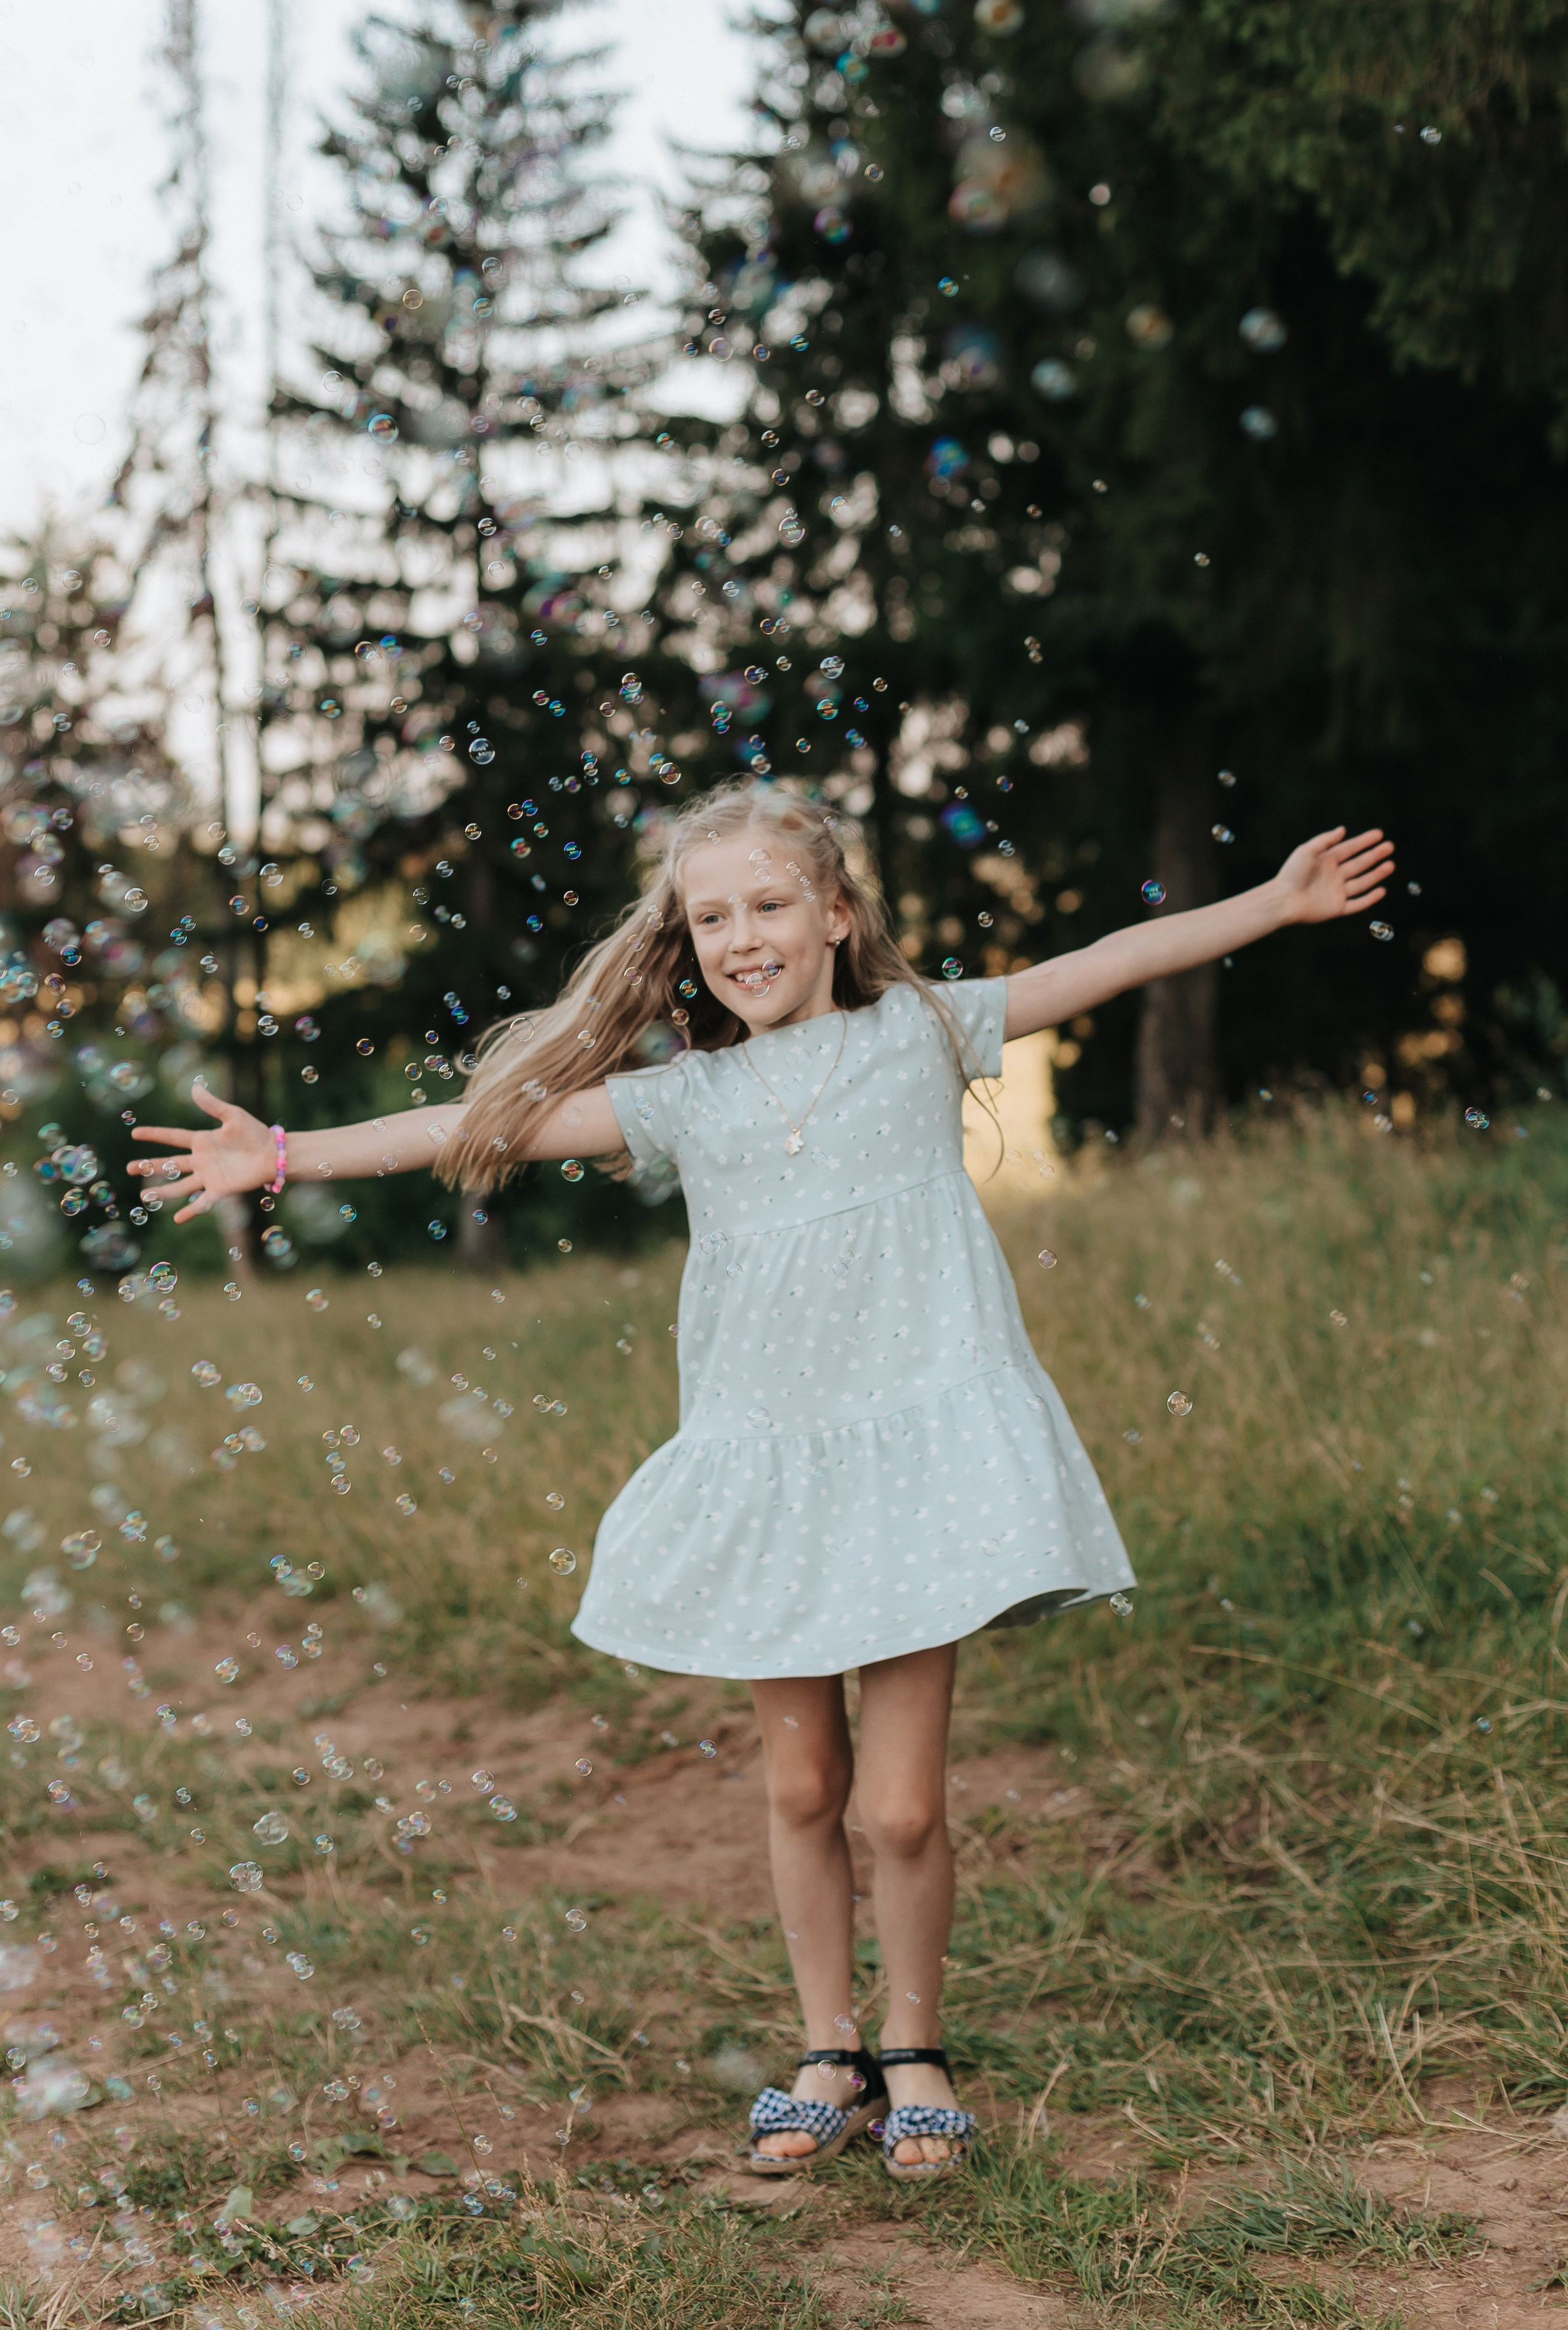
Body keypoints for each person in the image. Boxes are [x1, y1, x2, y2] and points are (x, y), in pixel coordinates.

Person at [129, 778, 1392, 2183]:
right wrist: (281, 1154)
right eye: (712, 917)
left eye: (770, 905)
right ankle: (828, 2049)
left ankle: (915, 2045)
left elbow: (1098, 963)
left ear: (836, 915)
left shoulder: (921, 1032)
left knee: (900, 1806)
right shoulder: (687, 1098)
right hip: (771, 1474)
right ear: (685, 942)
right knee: (802, 1788)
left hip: (916, 1465)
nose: (742, 937)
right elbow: (474, 1123)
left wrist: (1272, 903)